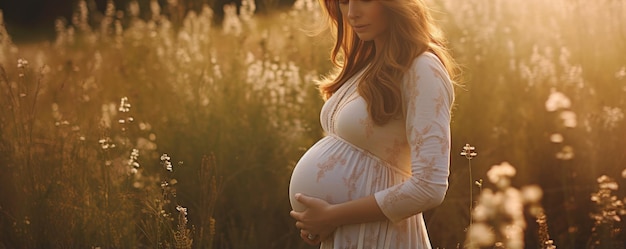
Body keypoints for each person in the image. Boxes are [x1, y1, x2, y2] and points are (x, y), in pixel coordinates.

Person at [288, 0, 458, 248]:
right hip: (347, 235)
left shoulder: (423, 68)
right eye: (344, 2)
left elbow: (429, 186)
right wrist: (322, 223)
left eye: (365, 0)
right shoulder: (368, 64)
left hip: (383, 237)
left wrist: (331, 217)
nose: (352, 13)